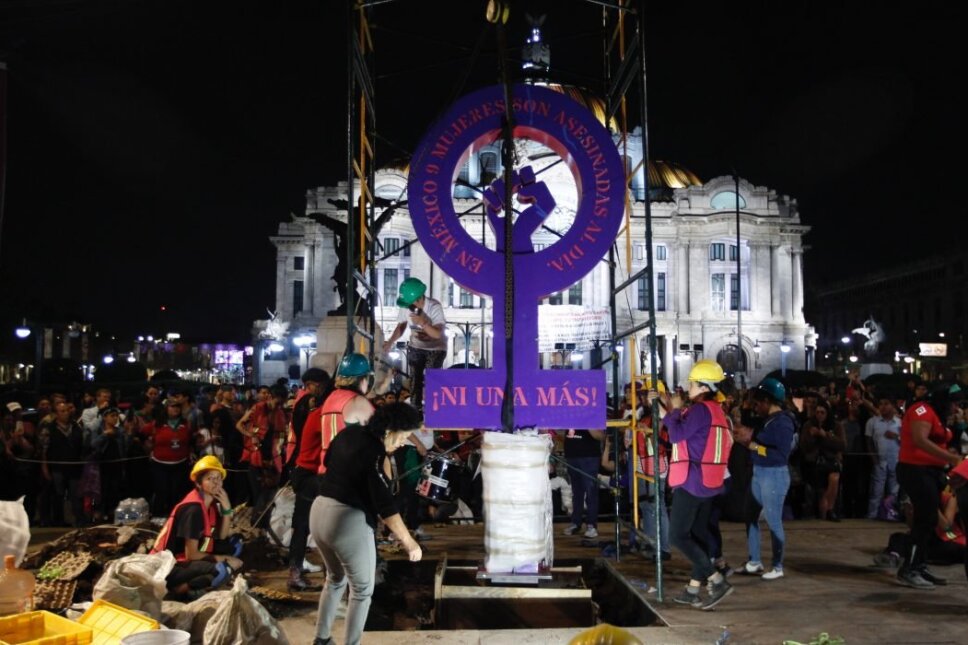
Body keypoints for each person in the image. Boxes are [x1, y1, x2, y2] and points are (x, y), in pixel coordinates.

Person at [309, 402, 423, 645]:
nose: (404, 442)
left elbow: (329, 461)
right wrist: (409, 542)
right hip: (346, 520)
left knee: (335, 579)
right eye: (403, 436)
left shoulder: (348, 433)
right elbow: (386, 507)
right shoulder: (374, 452)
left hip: (319, 512)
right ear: (391, 429)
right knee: (362, 591)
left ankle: (321, 639)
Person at [648, 359, 735, 610]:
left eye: (692, 383)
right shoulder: (714, 409)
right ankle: (692, 589)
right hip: (709, 481)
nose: (688, 387)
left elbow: (675, 435)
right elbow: (680, 426)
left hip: (692, 481)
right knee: (697, 535)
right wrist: (663, 405)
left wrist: (673, 409)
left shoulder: (699, 410)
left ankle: (717, 580)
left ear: (703, 386)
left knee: (678, 535)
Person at [894, 382, 963, 589]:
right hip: (915, 470)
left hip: (930, 472)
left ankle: (919, 564)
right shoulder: (921, 410)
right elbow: (920, 440)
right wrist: (951, 458)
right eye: (953, 403)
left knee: (929, 519)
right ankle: (910, 568)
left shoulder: (939, 416)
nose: (956, 408)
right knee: (925, 520)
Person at [151, 456, 243, 600]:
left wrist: (227, 509)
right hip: (167, 566)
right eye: (209, 478)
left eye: (218, 478)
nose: (216, 482)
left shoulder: (210, 505)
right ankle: (178, 590)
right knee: (221, 570)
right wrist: (222, 559)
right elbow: (191, 555)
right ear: (199, 484)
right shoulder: (193, 510)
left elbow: (222, 536)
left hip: (185, 559)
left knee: (234, 545)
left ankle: (200, 583)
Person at [733, 377, 796, 581]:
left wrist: (751, 445)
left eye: (759, 402)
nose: (756, 407)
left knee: (773, 520)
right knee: (750, 514)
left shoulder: (783, 423)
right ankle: (754, 561)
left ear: (769, 401)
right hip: (760, 472)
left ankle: (777, 566)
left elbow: (780, 455)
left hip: (774, 475)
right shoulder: (768, 421)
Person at [285, 367, 331, 592]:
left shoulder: (316, 410)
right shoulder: (317, 414)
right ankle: (306, 572)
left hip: (307, 472)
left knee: (302, 525)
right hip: (309, 473)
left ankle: (296, 569)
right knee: (312, 524)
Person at [382, 277, 446, 413]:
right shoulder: (407, 307)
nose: (409, 308)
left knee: (431, 375)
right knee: (415, 378)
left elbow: (437, 334)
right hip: (416, 346)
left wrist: (423, 322)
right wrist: (390, 342)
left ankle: (433, 409)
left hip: (435, 348)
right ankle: (415, 410)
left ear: (419, 299)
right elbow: (401, 326)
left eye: (411, 305)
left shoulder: (434, 307)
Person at [560, 427, 605, 539]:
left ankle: (591, 525)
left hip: (589, 456)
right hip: (572, 455)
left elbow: (601, 436)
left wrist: (587, 424)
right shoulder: (569, 411)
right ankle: (576, 523)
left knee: (591, 492)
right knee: (576, 492)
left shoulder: (593, 412)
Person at [866, 397, 901, 519]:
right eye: (880, 404)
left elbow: (906, 441)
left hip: (896, 461)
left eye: (886, 403)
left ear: (892, 406)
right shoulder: (872, 422)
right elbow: (869, 442)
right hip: (880, 461)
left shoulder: (899, 422)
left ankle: (892, 515)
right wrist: (874, 459)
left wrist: (896, 436)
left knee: (894, 491)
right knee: (876, 491)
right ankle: (872, 515)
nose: (883, 407)